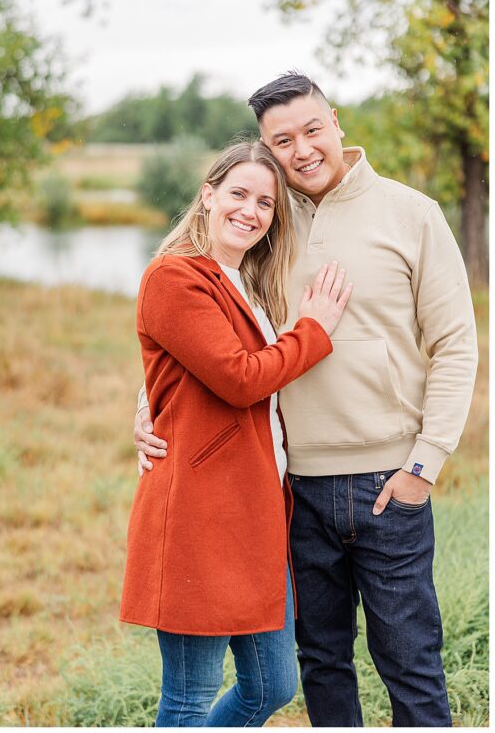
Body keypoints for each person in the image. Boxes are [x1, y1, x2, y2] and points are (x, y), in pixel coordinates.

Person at [134, 73, 478, 726]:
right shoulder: (268, 225)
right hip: (292, 491)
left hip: (388, 481)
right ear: (267, 148)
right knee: (320, 662)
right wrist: (148, 404)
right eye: (281, 139)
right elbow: (207, 333)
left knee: (409, 659)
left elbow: (456, 345)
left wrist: (425, 463)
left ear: (336, 122)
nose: (302, 148)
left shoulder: (412, 214)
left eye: (311, 129)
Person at [124, 139, 351, 726]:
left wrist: (149, 402)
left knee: (272, 684)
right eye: (238, 194)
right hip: (200, 513)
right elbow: (239, 378)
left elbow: (190, 372)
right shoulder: (175, 276)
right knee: (189, 696)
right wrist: (314, 331)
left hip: (256, 510)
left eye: (266, 203)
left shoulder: (247, 281)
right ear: (207, 197)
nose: (250, 211)